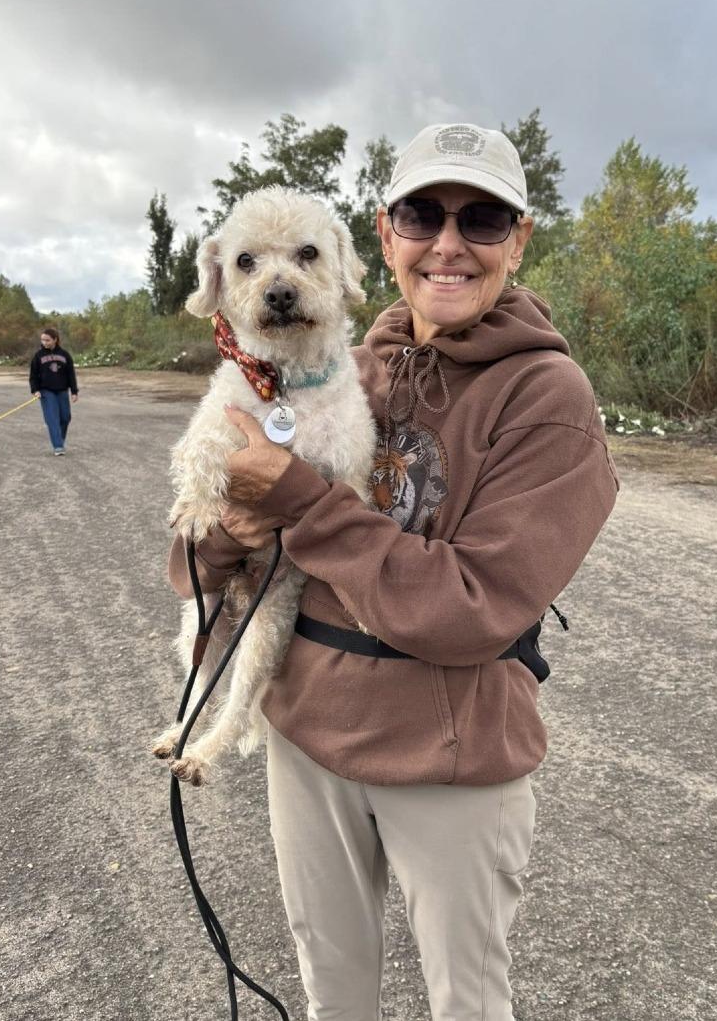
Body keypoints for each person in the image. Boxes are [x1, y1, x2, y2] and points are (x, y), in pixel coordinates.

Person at [167, 122, 619, 1020]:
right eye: (422, 213)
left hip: (450, 758)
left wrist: (295, 498)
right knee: (333, 994)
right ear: (384, 235)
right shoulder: (340, 366)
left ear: (518, 239)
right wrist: (228, 530)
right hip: (305, 736)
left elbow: (473, 609)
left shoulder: (548, 400)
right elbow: (196, 571)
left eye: (483, 218)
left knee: (466, 1004)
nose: (448, 243)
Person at [29, 326, 78, 455]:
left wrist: (74, 391)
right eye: (43, 340)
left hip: (62, 390)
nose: (44, 343)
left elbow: (71, 374)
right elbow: (33, 375)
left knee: (65, 418)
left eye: (47, 340)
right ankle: (58, 446)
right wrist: (35, 390)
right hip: (46, 391)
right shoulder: (38, 356)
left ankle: (59, 439)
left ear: (55, 340)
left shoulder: (65, 355)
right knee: (52, 418)